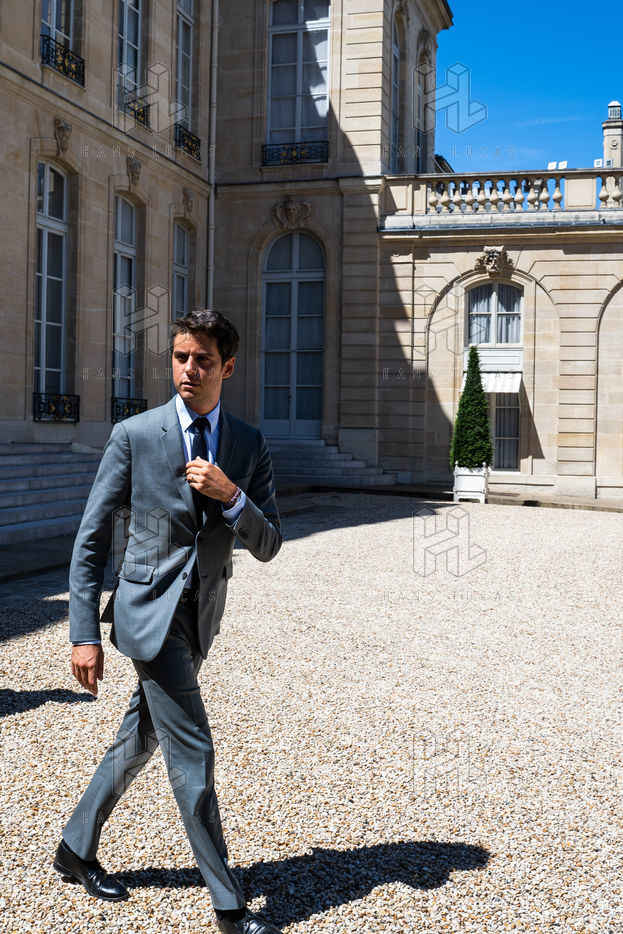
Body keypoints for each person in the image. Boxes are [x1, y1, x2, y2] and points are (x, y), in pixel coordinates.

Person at [53, 310, 284, 934]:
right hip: (145, 616)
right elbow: (91, 539)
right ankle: (229, 906)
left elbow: (269, 543)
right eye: (181, 357)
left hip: (201, 617)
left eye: (203, 360)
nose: (189, 369)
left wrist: (231, 495)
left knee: (141, 736)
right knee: (193, 751)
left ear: (227, 367)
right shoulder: (134, 435)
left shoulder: (248, 443)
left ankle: (74, 847)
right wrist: (83, 633)